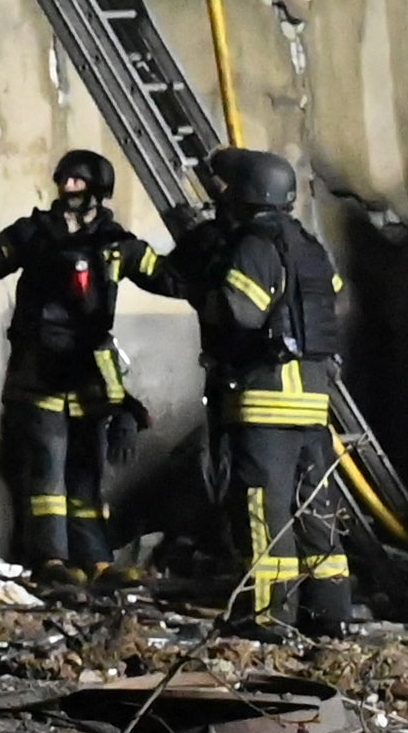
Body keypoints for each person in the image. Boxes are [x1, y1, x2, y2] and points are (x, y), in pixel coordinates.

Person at [151, 144, 359, 638]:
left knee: (263, 512)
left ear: (243, 194)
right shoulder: (307, 244)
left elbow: (240, 309)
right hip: (312, 399)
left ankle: (264, 618)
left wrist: (204, 290)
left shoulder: (254, 244)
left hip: (265, 399)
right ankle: (329, 615)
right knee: (313, 511)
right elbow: (329, 297)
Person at [0, 148, 152, 582]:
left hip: (87, 377)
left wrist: (207, 244)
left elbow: (168, 277)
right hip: (38, 371)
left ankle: (96, 561)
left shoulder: (114, 242)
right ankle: (51, 560)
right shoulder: (33, 233)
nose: (67, 188)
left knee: (86, 475)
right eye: (63, 180)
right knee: (47, 470)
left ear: (98, 189)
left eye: (77, 181)